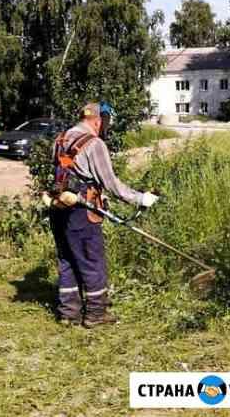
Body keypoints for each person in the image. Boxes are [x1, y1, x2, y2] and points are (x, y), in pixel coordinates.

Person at [49, 102, 158, 328]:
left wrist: (97, 195)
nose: (105, 128)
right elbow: (111, 183)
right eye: (105, 123)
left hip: (58, 207)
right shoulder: (94, 143)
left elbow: (68, 174)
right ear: (98, 121)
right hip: (81, 212)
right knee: (92, 261)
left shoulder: (60, 140)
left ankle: (69, 313)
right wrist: (141, 199)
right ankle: (96, 314)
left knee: (67, 259)